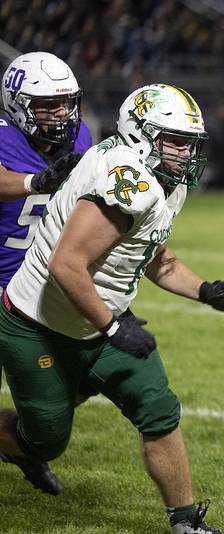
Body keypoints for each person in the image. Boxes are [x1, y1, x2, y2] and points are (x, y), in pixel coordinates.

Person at [0, 83, 224, 534]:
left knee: (158, 409)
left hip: (99, 318)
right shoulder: (128, 182)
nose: (186, 152)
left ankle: (186, 522)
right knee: (44, 440)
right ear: (141, 135)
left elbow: (146, 251)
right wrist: (114, 328)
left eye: (190, 143)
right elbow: (67, 264)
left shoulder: (158, 178)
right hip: (40, 323)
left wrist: (205, 291)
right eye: (175, 141)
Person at [0, 51, 93, 495]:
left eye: (66, 103)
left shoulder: (81, 137)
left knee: (82, 380)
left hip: (42, 286)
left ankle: (20, 445)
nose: (61, 114)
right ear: (17, 105)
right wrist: (35, 182)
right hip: (1, 281)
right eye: (47, 106)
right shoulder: (3, 136)